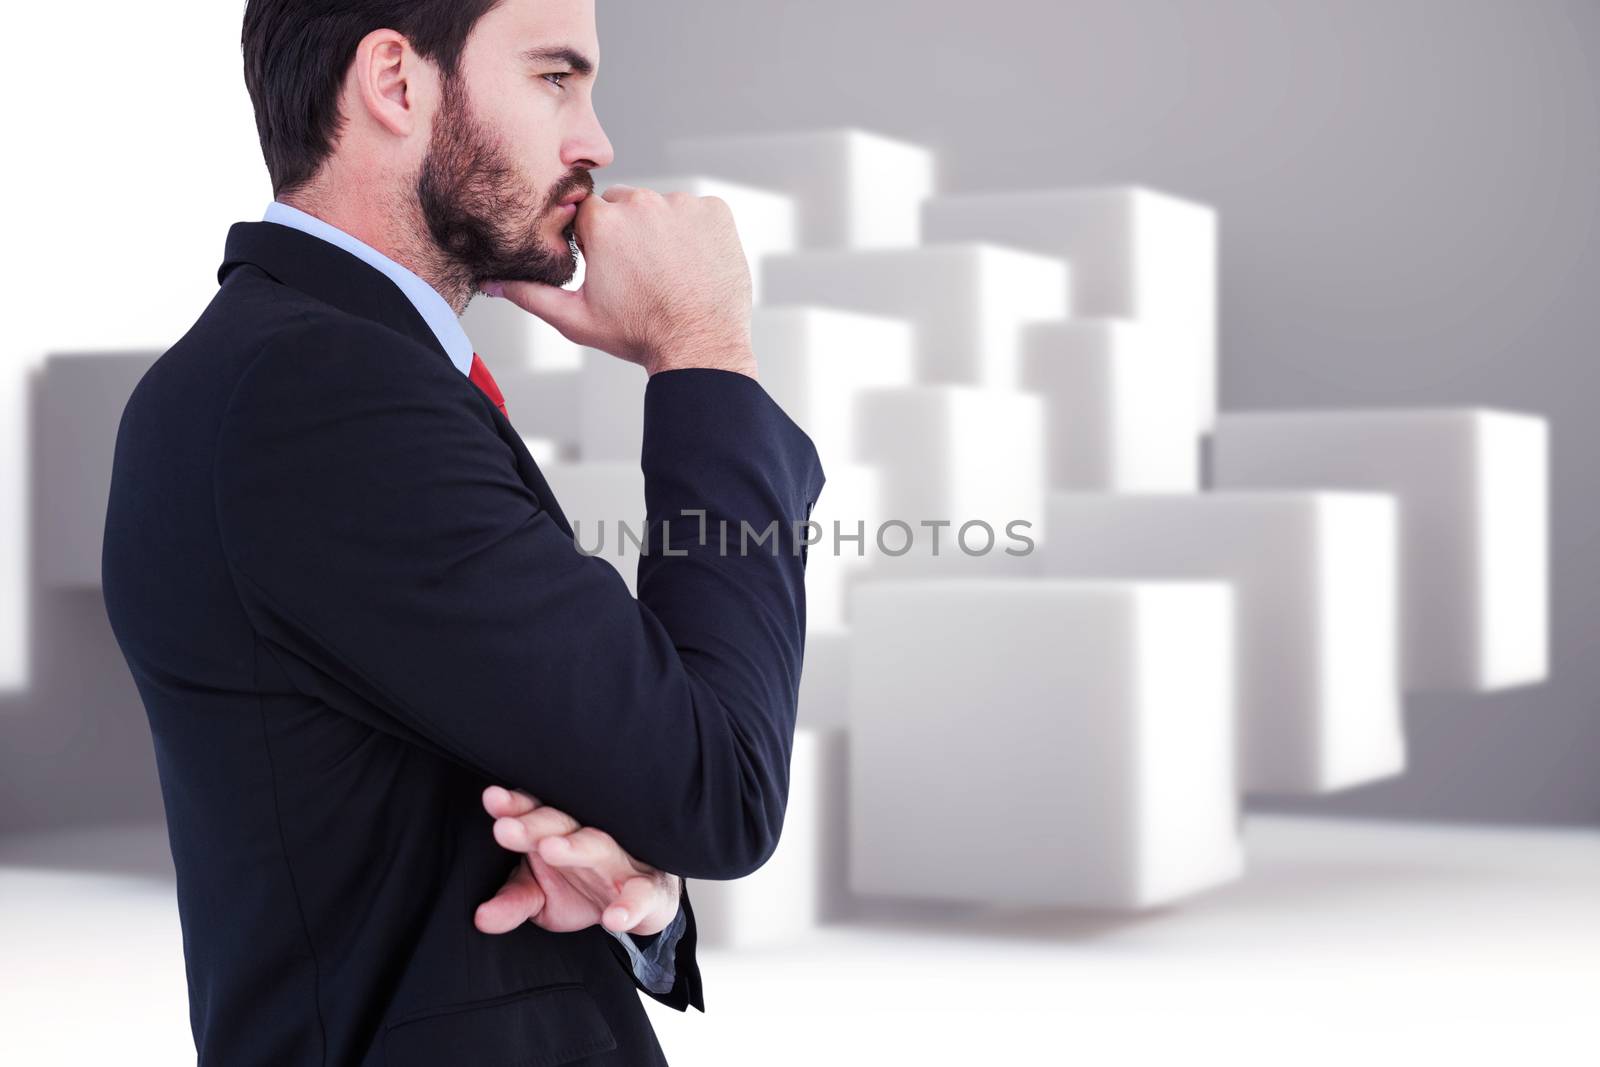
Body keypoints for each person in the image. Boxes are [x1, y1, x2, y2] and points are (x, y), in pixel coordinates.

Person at [99, 0, 825, 1063]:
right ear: (396, 82)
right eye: (553, 78)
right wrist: (702, 352)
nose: (596, 140)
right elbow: (717, 784)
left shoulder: (308, 371)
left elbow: (482, 794)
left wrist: (636, 888)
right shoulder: (320, 392)